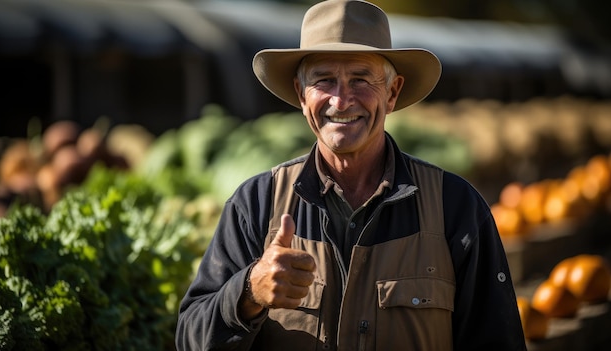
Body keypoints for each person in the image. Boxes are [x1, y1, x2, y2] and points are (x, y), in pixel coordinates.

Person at [176, 1, 527, 350]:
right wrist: (249, 291)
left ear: (392, 93)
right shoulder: (255, 204)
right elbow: (192, 338)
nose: (341, 101)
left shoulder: (455, 207)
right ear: (302, 94)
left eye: (360, 79)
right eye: (324, 80)